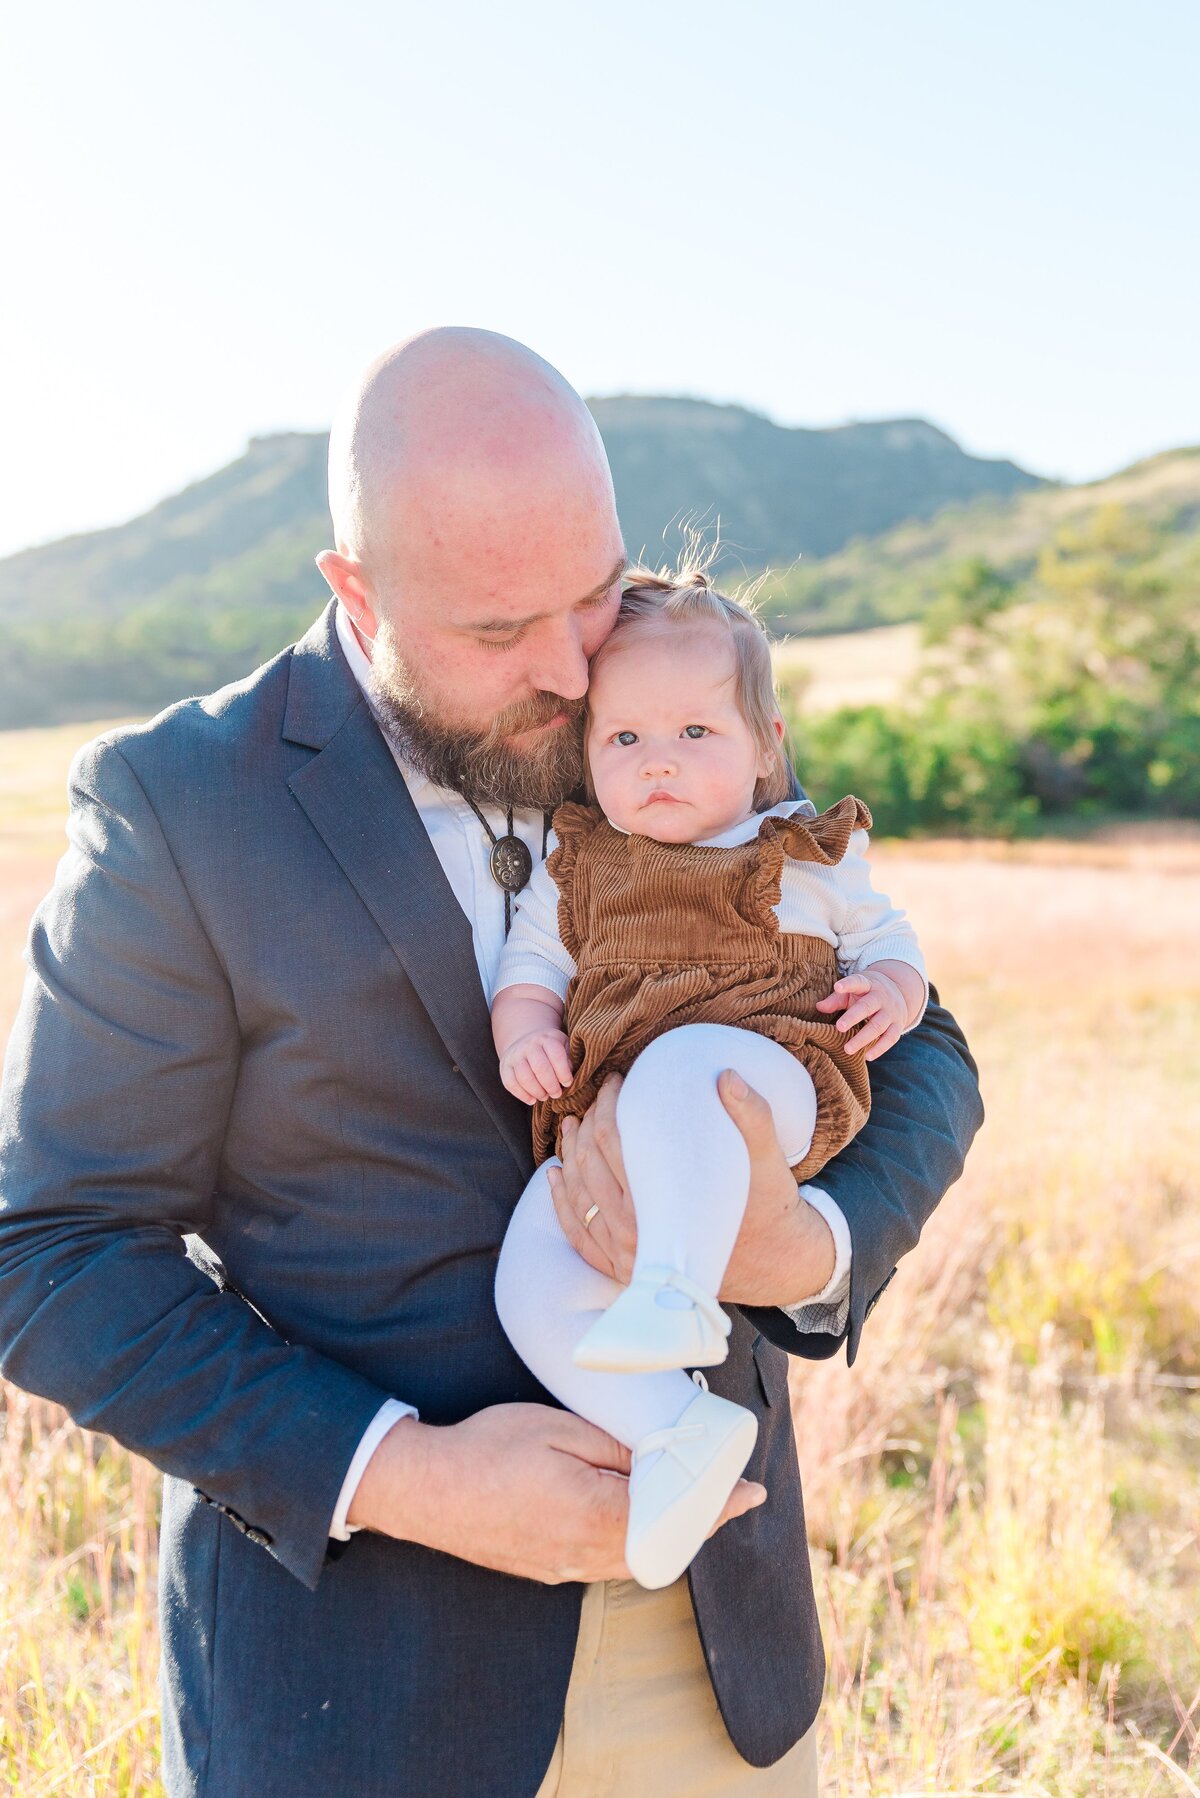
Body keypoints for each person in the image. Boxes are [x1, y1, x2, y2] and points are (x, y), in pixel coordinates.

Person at [0, 327, 984, 1796]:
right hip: (367, 1686)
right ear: (356, 588)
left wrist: (813, 1242)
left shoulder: (665, 693)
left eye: (590, 590)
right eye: (494, 628)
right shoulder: (175, 807)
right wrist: (412, 1477)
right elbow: (52, 1249)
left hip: (716, 1658)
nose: (568, 665)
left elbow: (925, 1046)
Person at [491, 570, 928, 1590]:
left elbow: (892, 941)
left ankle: (678, 1292)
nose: (659, 765)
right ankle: (679, 1427)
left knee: (685, 1064)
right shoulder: (583, 863)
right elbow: (530, 971)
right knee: (530, 1277)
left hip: (765, 1081)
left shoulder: (800, 849)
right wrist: (525, 1035)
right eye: (625, 740)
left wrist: (893, 993)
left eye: (696, 734)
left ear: (766, 744)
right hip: (616, 1127)